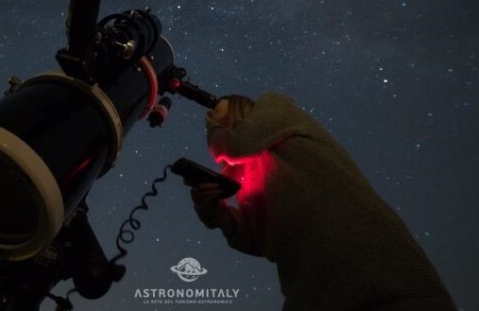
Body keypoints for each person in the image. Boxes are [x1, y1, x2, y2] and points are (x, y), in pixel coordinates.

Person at [188, 92, 457, 311]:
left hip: (385, 283)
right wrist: (212, 207)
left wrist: (213, 125)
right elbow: (255, 241)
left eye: (215, 110)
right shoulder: (243, 176)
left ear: (240, 107)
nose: (210, 116)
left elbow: (236, 145)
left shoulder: (274, 106)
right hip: (315, 296)